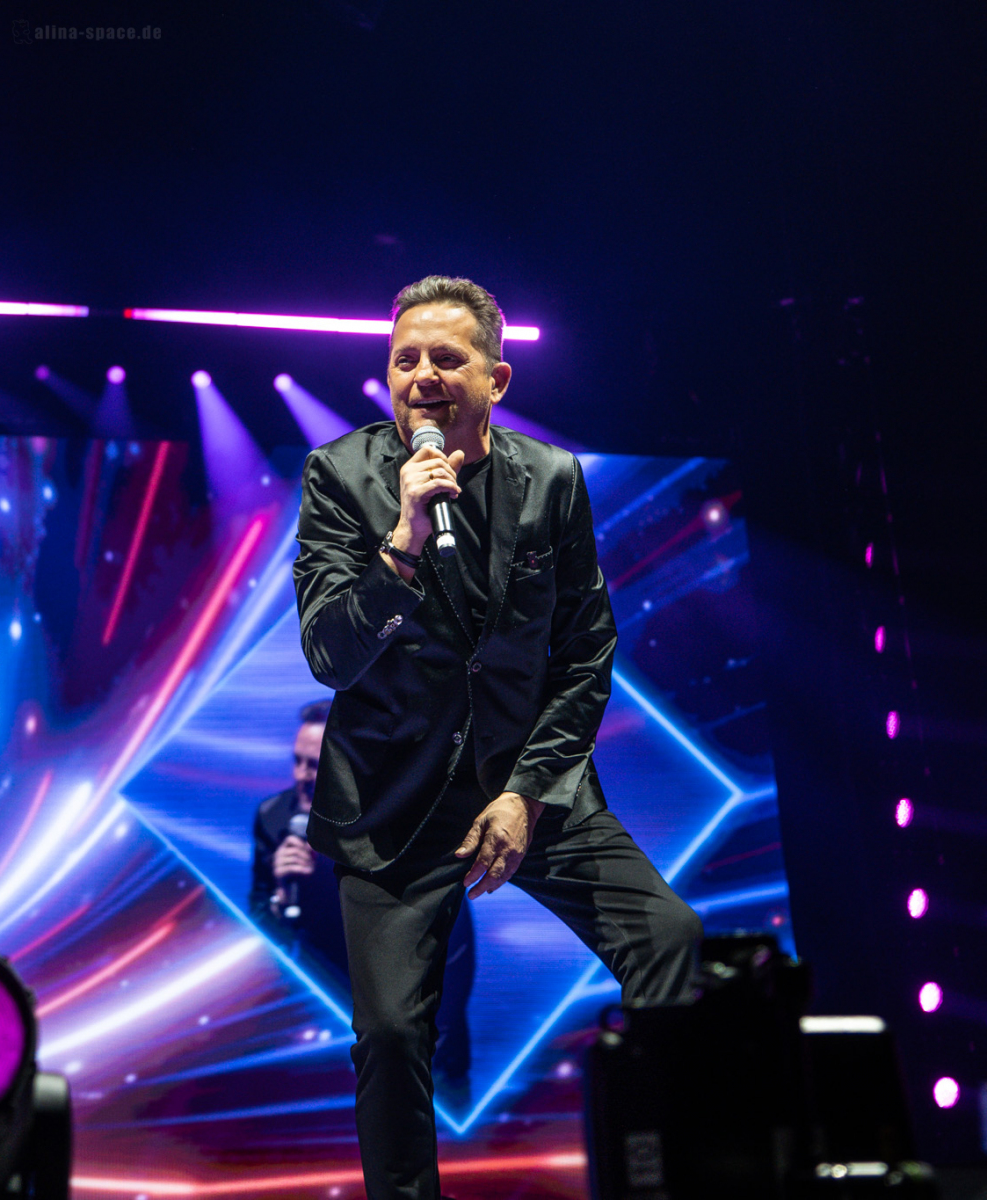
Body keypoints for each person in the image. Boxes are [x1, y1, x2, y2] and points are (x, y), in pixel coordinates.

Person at [293, 275, 701, 1200]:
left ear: (497, 379)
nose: (424, 376)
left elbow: (585, 650)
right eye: (405, 360)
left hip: (532, 782)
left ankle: (662, 1169)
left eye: (448, 358)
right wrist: (401, 542)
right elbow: (329, 655)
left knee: (669, 937)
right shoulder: (340, 476)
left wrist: (526, 794)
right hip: (394, 797)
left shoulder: (551, 479)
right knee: (391, 1035)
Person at [249, 700, 475, 1111]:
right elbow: (261, 928)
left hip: (413, 1016)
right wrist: (281, 898)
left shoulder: (396, 825)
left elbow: (449, 948)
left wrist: (430, 1055)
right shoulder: (275, 818)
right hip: (326, 1022)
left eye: (315, 765)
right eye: (297, 762)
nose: (301, 777)